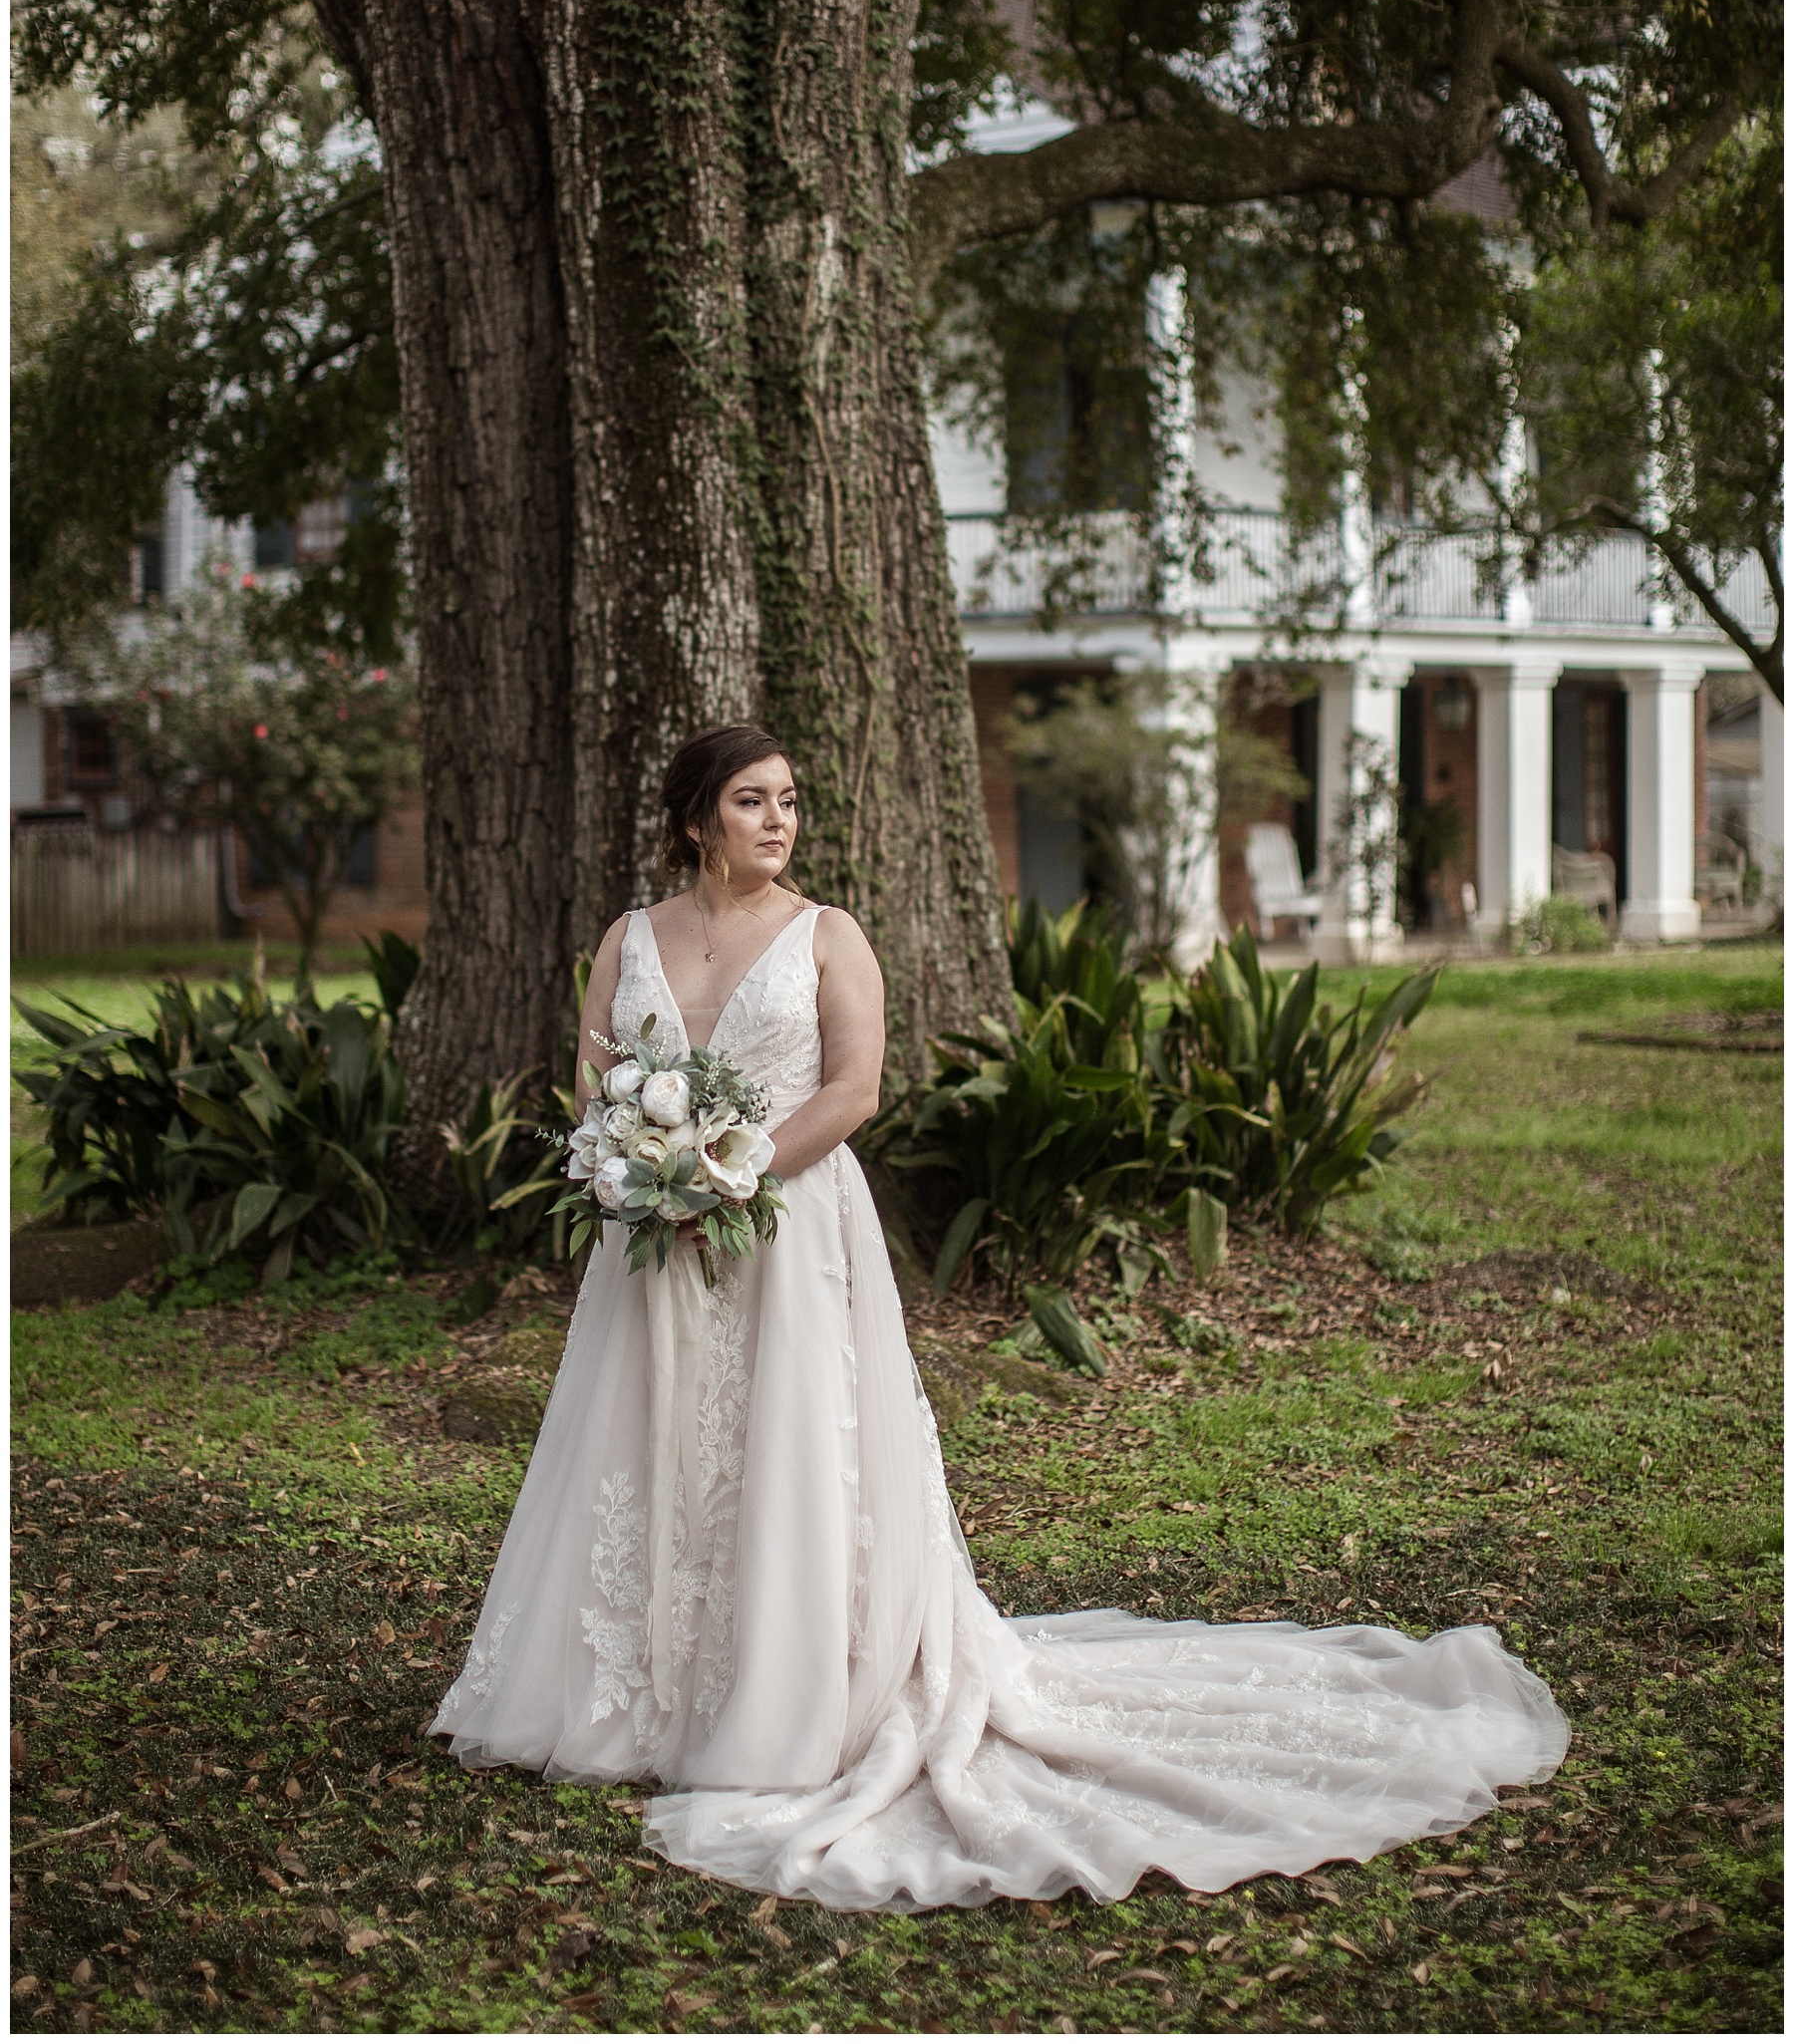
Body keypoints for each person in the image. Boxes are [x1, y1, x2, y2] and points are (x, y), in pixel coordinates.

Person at [433, 724, 1567, 1909]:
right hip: (653, 1244)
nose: (780, 821)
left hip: (785, 1232)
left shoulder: (830, 936)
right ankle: (636, 1691)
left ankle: (782, 1693)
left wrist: (730, 1172)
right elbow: (597, 1084)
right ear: (695, 820)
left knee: (788, 1452)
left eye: (790, 801)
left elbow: (856, 1088)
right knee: (650, 1447)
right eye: (753, 801)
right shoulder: (630, 938)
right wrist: (638, 1167)